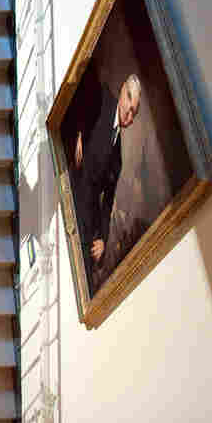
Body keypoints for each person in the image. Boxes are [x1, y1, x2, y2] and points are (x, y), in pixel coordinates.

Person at [68, 73, 141, 294]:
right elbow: (76, 98)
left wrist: (103, 239)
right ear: (123, 93)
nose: (130, 115)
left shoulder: (118, 159)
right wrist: (79, 131)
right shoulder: (102, 97)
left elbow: (107, 203)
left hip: (85, 216)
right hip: (70, 186)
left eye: (134, 113)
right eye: (130, 107)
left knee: (84, 275)